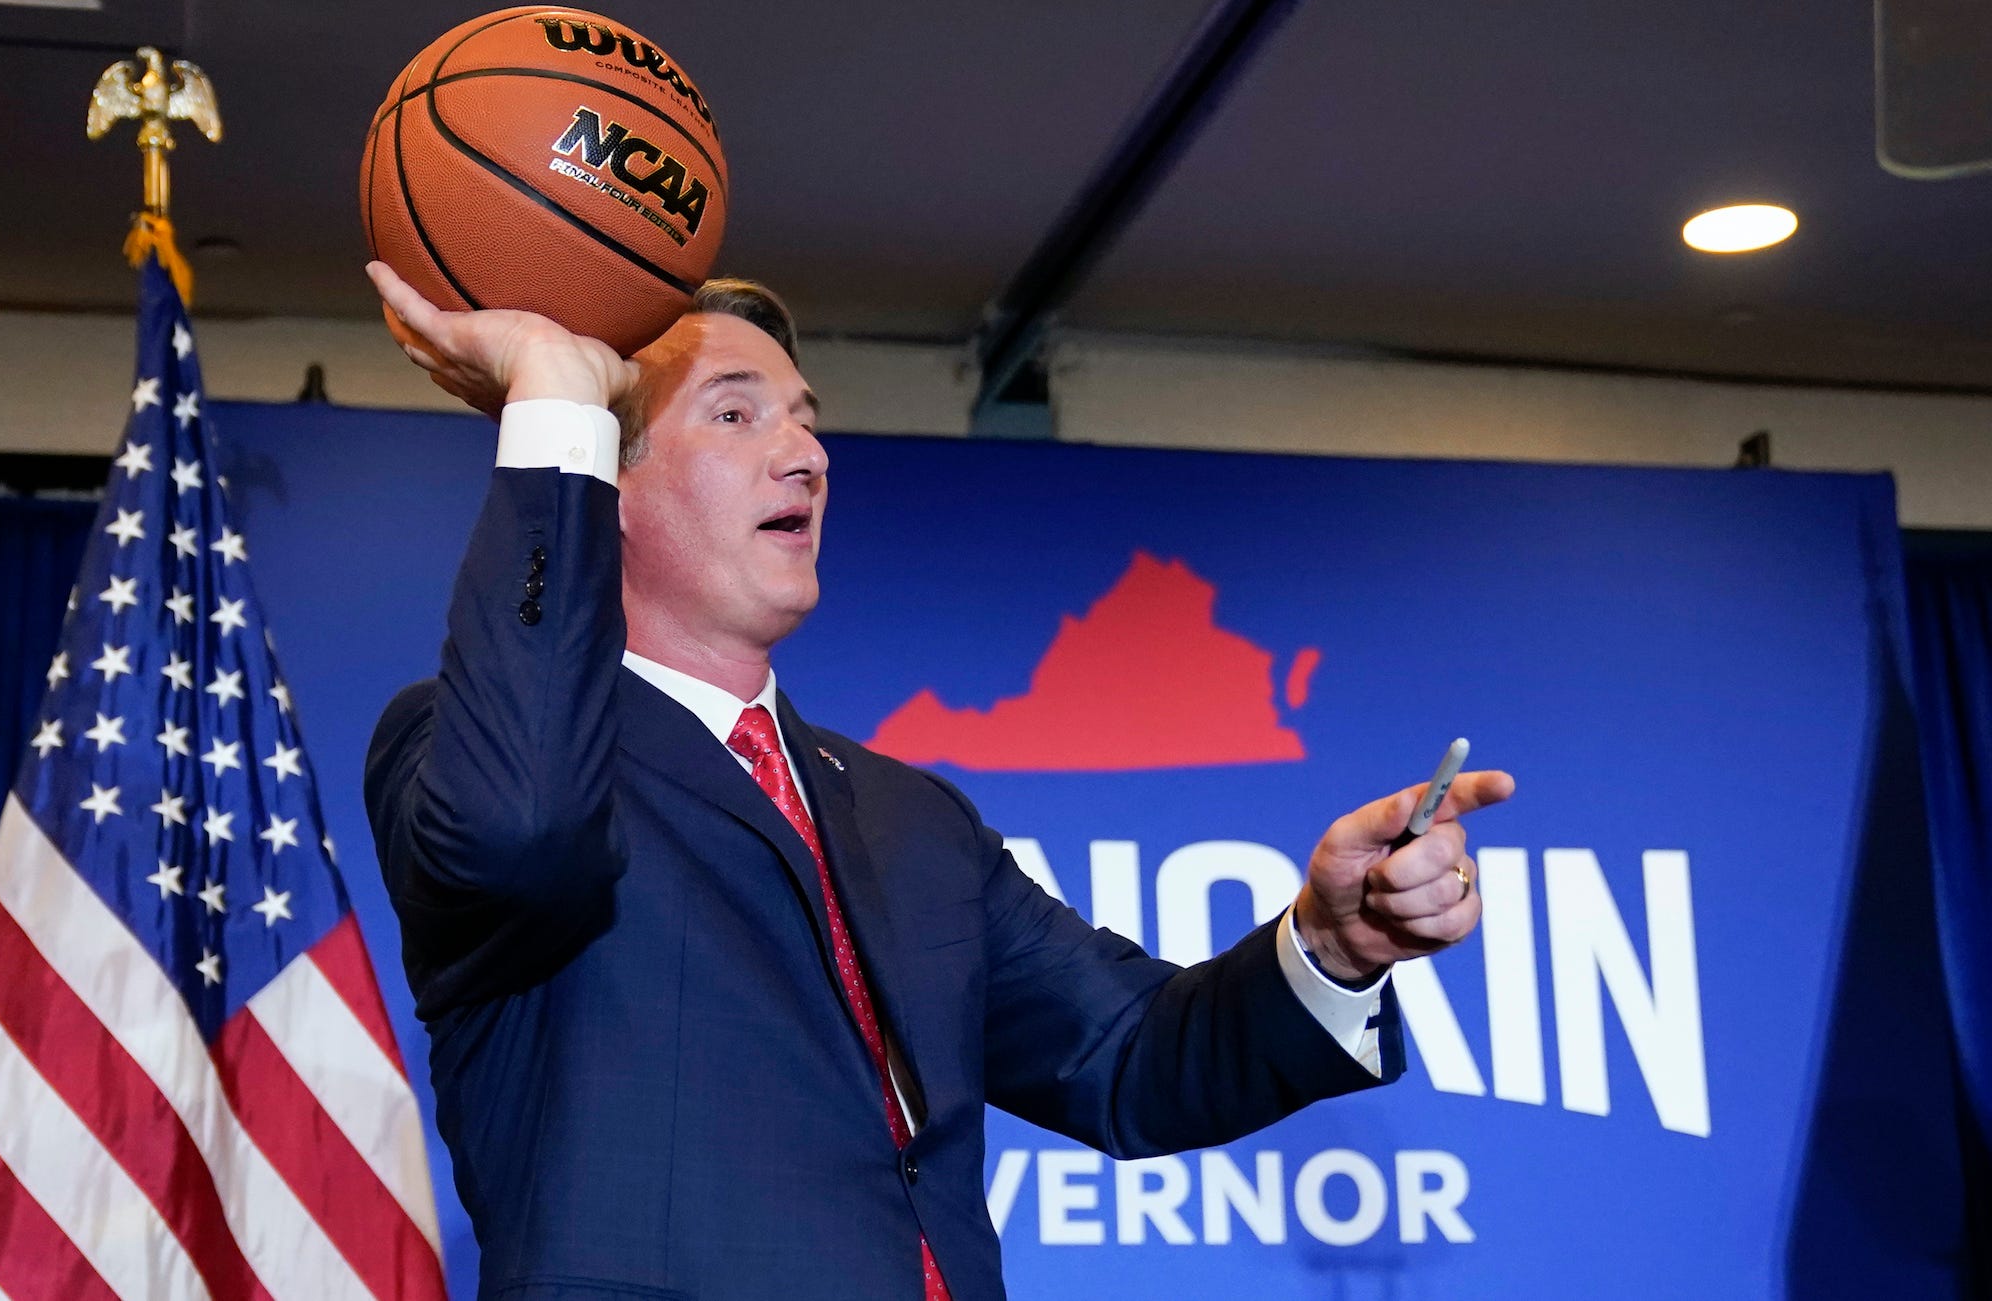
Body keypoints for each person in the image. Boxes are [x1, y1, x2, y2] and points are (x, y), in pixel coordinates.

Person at [363, 261, 1515, 1301]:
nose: (806, 453)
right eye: (735, 415)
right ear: (611, 482)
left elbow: (1133, 1056)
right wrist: (555, 407)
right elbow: (519, 831)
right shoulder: (472, 746)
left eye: (806, 420)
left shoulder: (908, 818)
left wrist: (1332, 941)